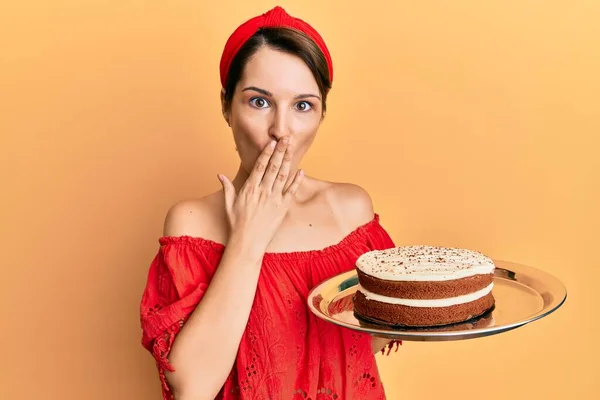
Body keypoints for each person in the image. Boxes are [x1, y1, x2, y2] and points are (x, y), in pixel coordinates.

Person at [140, 6, 400, 400]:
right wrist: (249, 236)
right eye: (259, 102)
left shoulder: (351, 210)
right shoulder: (191, 223)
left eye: (302, 105)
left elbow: (363, 346)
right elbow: (192, 387)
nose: (281, 130)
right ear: (226, 106)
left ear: (322, 113)